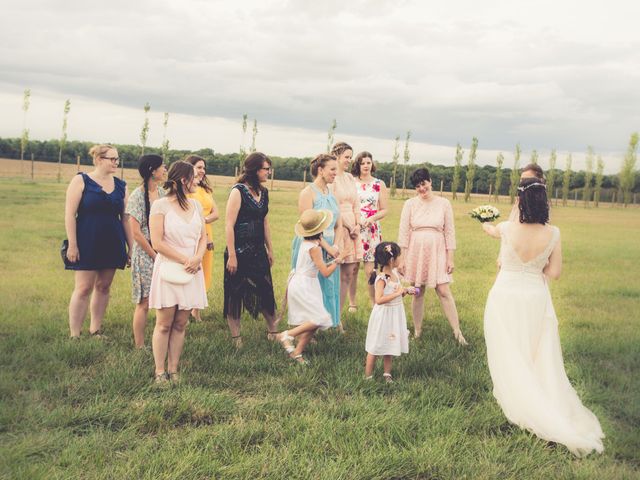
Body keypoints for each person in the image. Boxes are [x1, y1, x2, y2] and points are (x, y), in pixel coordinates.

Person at [482, 177, 604, 457]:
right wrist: (536, 268)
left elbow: (497, 239)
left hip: (506, 294)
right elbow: (555, 273)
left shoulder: (507, 228)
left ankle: (522, 401)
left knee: (510, 349)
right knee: (534, 351)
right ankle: (539, 398)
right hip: (535, 296)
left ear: (520, 201)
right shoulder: (554, 233)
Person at [64, 144, 132, 339]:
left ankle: (95, 329)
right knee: (84, 287)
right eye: (112, 159)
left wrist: (131, 248)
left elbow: (126, 218)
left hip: (112, 241)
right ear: (98, 160)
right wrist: (73, 244)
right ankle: (75, 334)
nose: (116, 163)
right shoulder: (81, 180)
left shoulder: (122, 185)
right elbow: (70, 214)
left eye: (117, 159)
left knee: (103, 286)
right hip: (87, 241)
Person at [149, 161, 208, 385]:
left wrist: (197, 257)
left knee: (181, 323)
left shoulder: (196, 206)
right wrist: (185, 259)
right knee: (164, 323)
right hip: (170, 268)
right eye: (194, 176)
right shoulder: (161, 206)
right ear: (183, 180)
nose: (199, 179)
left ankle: (174, 370)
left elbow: (203, 237)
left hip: (192, 269)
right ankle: (159, 371)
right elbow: (157, 242)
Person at [398, 168, 467, 344]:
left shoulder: (444, 203)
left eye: (424, 184)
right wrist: (402, 258)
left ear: (430, 181)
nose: (421, 188)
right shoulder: (410, 204)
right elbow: (403, 233)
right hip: (416, 249)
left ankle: (457, 332)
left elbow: (449, 232)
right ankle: (418, 331)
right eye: (417, 186)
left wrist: (450, 257)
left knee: (443, 290)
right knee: (417, 291)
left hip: (438, 249)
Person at [223, 152, 277, 347]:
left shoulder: (264, 192)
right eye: (265, 169)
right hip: (238, 250)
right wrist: (232, 255)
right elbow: (229, 224)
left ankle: (273, 331)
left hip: (258, 249)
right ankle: (236, 337)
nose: (268, 172)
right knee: (235, 292)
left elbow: (265, 222)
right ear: (254, 169)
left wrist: (270, 249)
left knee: (265, 290)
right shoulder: (238, 191)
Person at [278, 209, 346, 364]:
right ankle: (287, 335)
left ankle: (297, 352)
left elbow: (321, 261)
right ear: (320, 229)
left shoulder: (309, 242)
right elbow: (326, 272)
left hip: (307, 283)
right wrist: (338, 261)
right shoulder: (314, 248)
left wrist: (335, 257)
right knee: (320, 318)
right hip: (303, 285)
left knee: (314, 321)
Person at [289, 153, 343, 328]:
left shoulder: (332, 192)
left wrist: (335, 245)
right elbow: (308, 229)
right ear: (320, 170)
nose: (336, 173)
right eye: (332, 169)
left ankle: (326, 322)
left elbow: (339, 224)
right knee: (311, 288)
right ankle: (307, 326)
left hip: (330, 247)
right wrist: (327, 247)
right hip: (313, 246)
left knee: (328, 285)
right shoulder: (308, 193)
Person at [126, 154, 167, 348]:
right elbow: (135, 233)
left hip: (161, 252)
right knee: (144, 302)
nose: (165, 169)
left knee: (163, 299)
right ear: (152, 170)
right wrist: (154, 255)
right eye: (162, 167)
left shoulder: (162, 193)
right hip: (145, 254)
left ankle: (161, 336)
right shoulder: (136, 196)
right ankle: (140, 344)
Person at [364, 242, 412, 383]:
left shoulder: (395, 274)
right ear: (392, 260)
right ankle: (368, 376)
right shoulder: (382, 278)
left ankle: (387, 373)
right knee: (376, 344)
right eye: (399, 257)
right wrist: (398, 293)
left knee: (390, 343)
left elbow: (396, 293)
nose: (401, 259)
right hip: (384, 316)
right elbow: (379, 299)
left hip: (394, 314)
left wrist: (404, 292)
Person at [331, 141, 363, 321]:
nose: (349, 161)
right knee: (334, 273)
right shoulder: (332, 177)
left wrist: (357, 225)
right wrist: (348, 226)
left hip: (353, 227)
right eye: (346, 157)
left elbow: (356, 204)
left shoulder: (350, 178)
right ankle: (328, 315)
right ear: (337, 156)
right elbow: (334, 206)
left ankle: (338, 317)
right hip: (339, 226)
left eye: (351, 157)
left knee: (348, 273)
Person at [185, 154, 220, 321]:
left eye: (203, 168)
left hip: (207, 232)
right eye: (199, 167)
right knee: (192, 269)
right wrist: (201, 222)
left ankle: (196, 310)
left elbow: (216, 213)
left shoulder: (205, 189)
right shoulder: (187, 189)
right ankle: (185, 307)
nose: (202, 171)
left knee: (205, 271)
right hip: (194, 233)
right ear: (189, 167)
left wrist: (204, 220)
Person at [352, 151, 388, 305]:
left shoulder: (379, 184)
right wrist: (357, 221)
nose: (366, 166)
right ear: (358, 165)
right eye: (362, 163)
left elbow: (385, 209)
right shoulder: (351, 182)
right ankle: (352, 303)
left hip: (371, 230)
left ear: (372, 164)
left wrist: (372, 218)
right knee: (352, 269)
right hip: (354, 228)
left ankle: (374, 303)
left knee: (370, 270)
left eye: (368, 162)